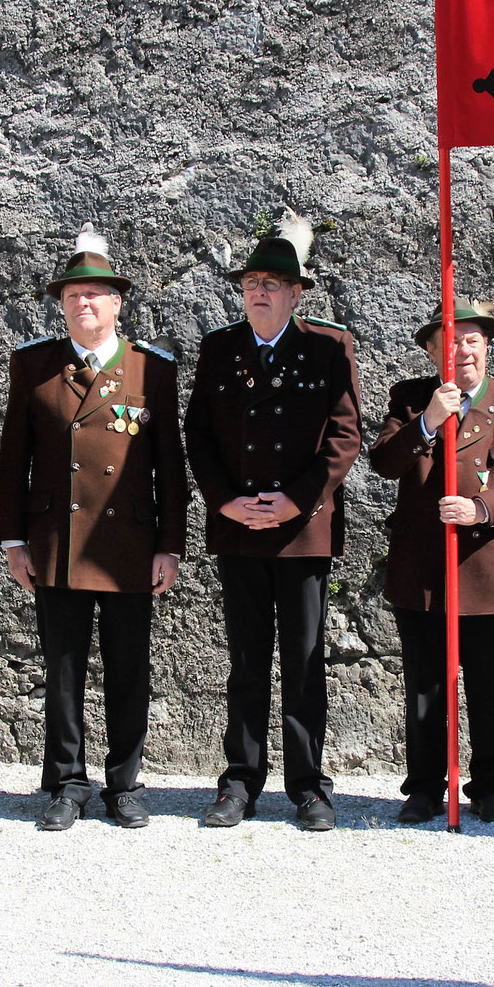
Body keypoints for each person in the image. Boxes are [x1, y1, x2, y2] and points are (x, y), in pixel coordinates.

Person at [0, 229, 189, 829]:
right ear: (62, 304)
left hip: (128, 544)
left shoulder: (150, 370)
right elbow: (13, 459)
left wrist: (170, 545)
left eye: (97, 296)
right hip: (58, 541)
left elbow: (170, 467)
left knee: (129, 668)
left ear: (117, 303)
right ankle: (65, 781)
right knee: (63, 668)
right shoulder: (34, 366)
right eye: (75, 296)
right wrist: (12, 539)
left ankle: (124, 784)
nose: (86, 306)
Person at [183, 211, 361, 830]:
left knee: (306, 661)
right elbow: (198, 435)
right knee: (246, 659)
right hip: (238, 527)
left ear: (296, 293)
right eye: (251, 280)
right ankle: (240, 779)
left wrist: (299, 499)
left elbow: (344, 437)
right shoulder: (219, 348)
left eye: (272, 282)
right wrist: (223, 500)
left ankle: (309, 784)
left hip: (301, 529)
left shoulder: (329, 347)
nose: (259, 289)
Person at [368, 295, 494, 824]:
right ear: (430, 351)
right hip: (423, 571)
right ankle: (424, 785)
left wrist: (480, 508)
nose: (462, 350)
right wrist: (428, 421)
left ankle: (490, 786)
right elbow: (382, 461)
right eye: (449, 341)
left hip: (488, 570)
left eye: (471, 339)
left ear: (486, 346)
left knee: (491, 688)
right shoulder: (410, 399)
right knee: (424, 687)